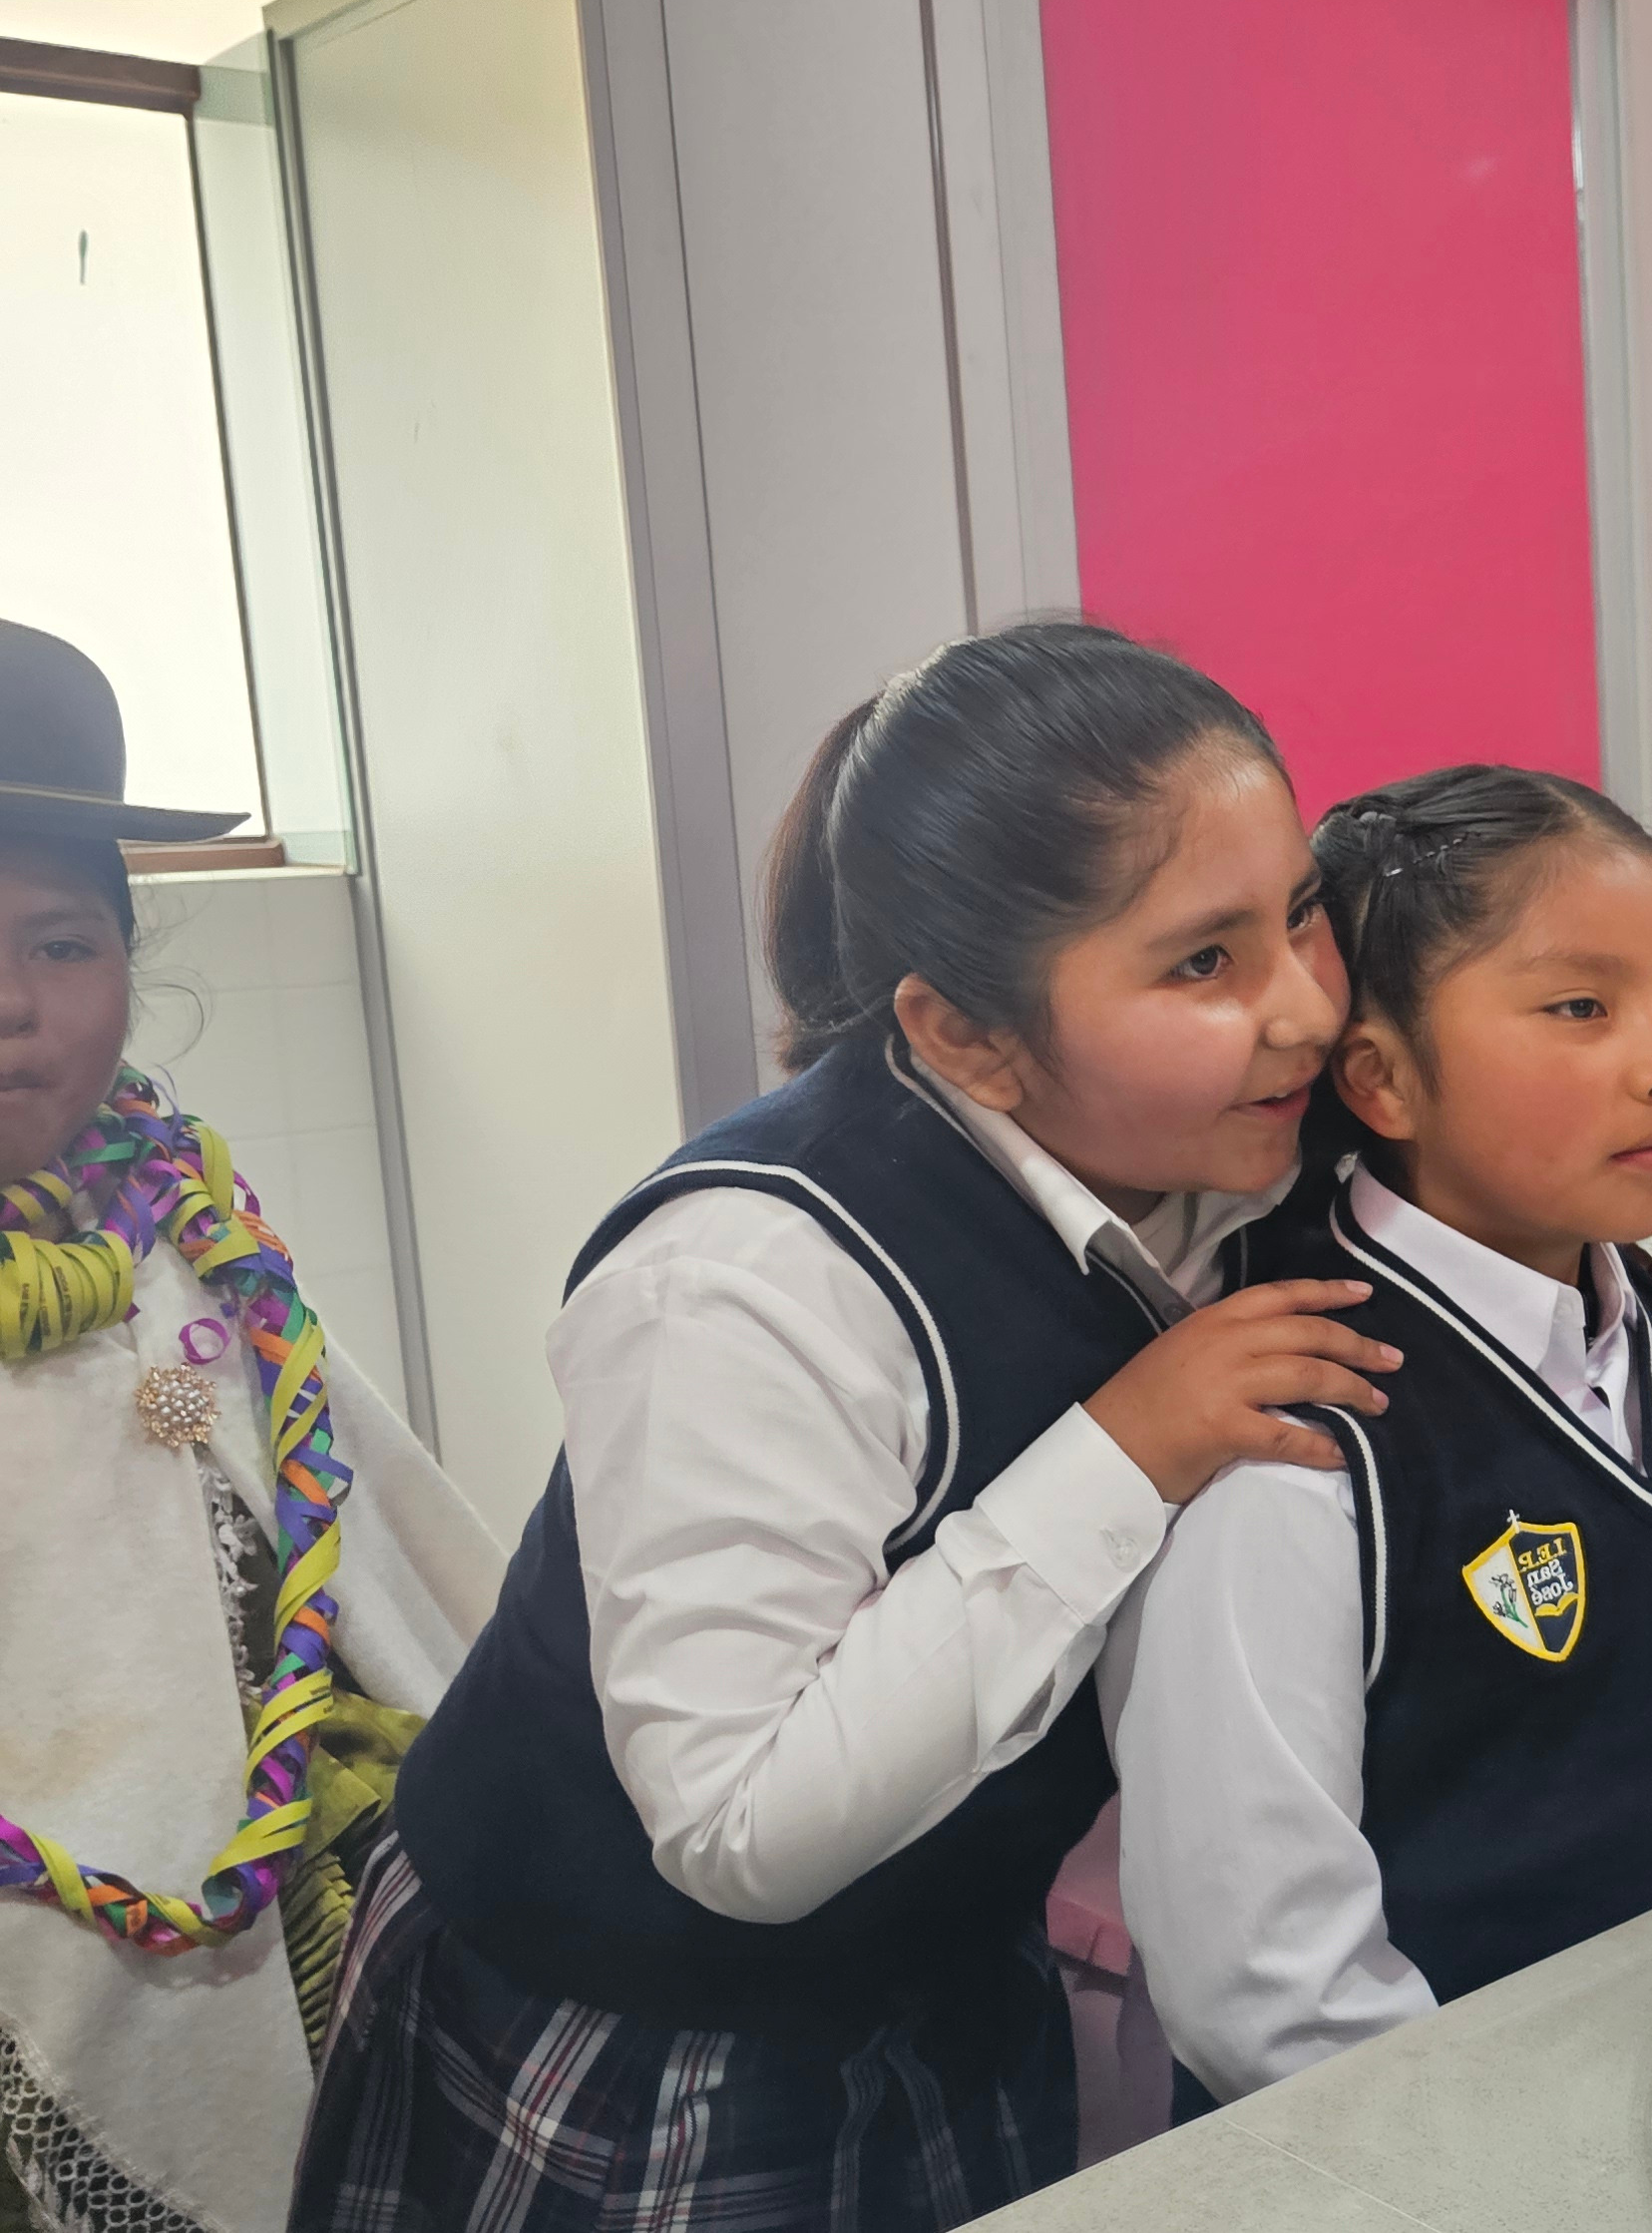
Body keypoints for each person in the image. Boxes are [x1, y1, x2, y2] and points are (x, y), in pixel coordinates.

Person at [295, 625, 1395, 2231]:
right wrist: (1123, 1449)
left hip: (946, 1985)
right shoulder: (748, 1279)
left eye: (1299, 913)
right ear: (964, 1035)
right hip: (647, 2031)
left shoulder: (1234, 1133)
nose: (1302, 1011)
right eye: (1200, 966)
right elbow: (736, 1828)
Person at [1103, 766, 1652, 2110]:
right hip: (1447, 2151)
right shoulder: (1295, 1434)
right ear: (1382, 1076)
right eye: (1580, 1007)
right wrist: (1528, 2161)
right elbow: (1268, 1981)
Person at [0, 621, 497, 2233]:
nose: (12, 1005)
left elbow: (386, 1564)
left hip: (287, 1935)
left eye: (64, 943)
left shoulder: (192, 1237)